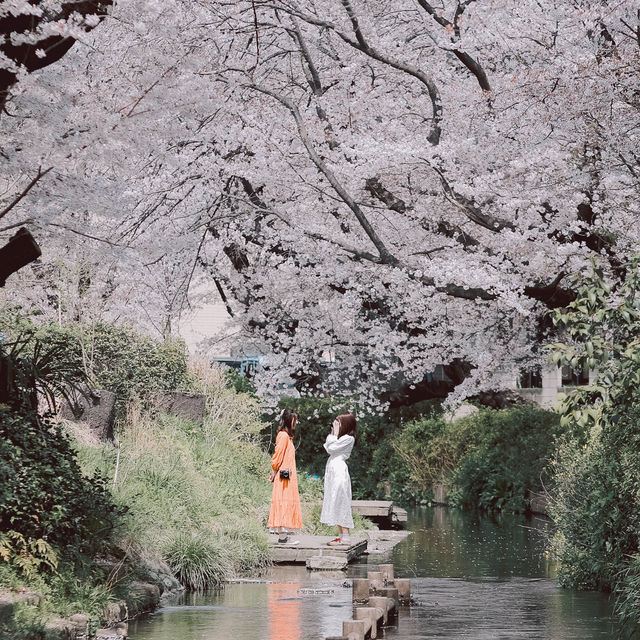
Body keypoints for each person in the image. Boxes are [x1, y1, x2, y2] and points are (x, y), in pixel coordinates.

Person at [320, 412, 356, 545]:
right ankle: (341, 536)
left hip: (339, 472)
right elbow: (328, 446)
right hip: (333, 471)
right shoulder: (340, 438)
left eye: (338, 423)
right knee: (335, 501)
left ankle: (345, 537)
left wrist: (334, 435)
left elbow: (331, 448)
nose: (335, 425)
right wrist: (334, 435)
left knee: (341, 501)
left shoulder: (348, 438)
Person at [268, 408, 302, 543]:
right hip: (284, 475)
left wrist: (275, 473)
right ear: (289, 420)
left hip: (285, 474)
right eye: (295, 419)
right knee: (283, 501)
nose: (297, 422)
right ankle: (282, 535)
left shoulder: (287, 437)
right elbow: (277, 458)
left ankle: (283, 535)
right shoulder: (283, 436)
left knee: (285, 501)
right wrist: (275, 472)